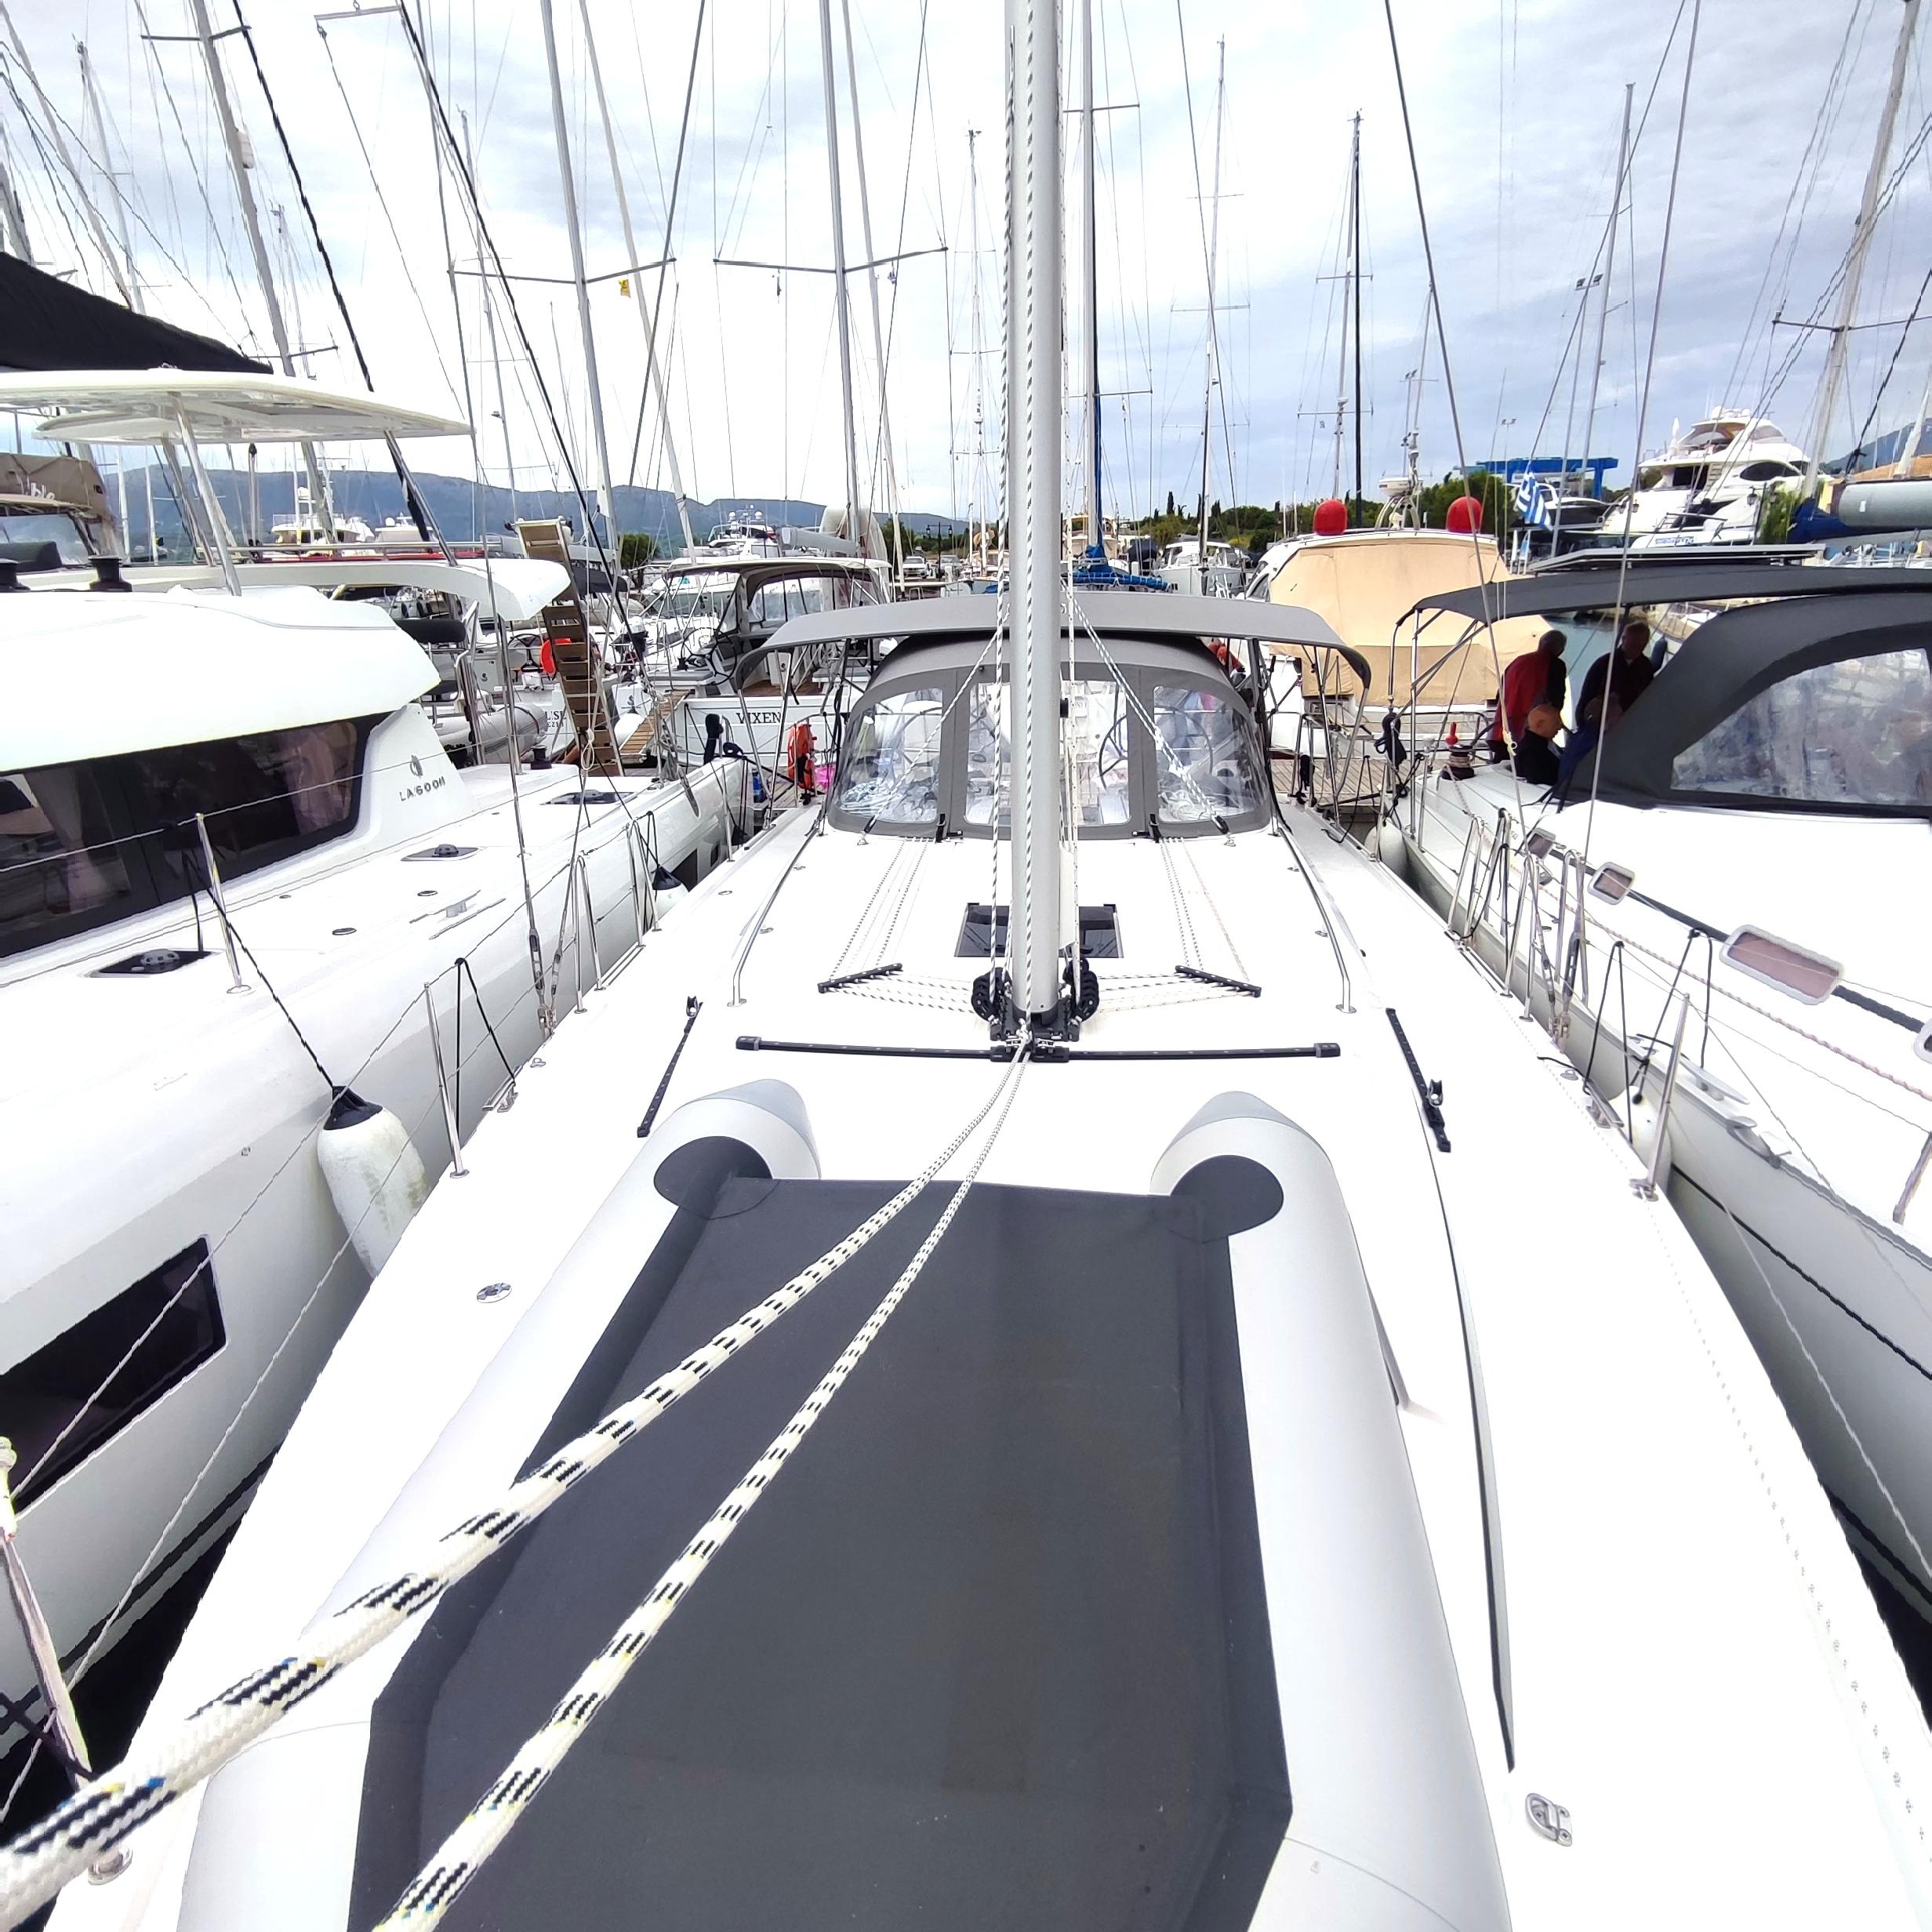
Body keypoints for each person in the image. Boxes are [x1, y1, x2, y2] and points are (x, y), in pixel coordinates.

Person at [1576, 617, 1655, 728]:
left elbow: (1647, 698)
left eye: (1641, 643)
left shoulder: (1646, 667)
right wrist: (1582, 725)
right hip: (1600, 725)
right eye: (1634, 642)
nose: (1638, 646)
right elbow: (1586, 697)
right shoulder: (1604, 664)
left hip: (1631, 724)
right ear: (1623, 639)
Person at [1502, 629, 1568, 746]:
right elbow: (1556, 698)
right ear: (1560, 649)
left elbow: (1501, 689)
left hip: (1505, 721)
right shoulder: (1555, 665)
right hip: (1531, 725)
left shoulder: (1518, 661)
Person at [1513, 701, 1563, 786]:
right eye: (1556, 723)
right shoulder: (1530, 752)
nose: (1560, 727)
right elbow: (1541, 781)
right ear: (1540, 724)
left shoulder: (1544, 744)